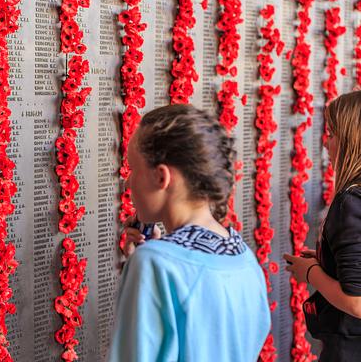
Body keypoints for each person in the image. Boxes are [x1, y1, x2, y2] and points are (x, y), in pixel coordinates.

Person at [108, 104, 270, 362]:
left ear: (162, 178)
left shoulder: (154, 264)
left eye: (133, 170)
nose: (128, 182)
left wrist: (148, 262)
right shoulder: (244, 257)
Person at [284, 91, 361, 361]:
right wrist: (327, 262)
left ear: (352, 139)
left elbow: (357, 302)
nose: (326, 144)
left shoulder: (351, 201)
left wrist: (311, 272)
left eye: (331, 133)